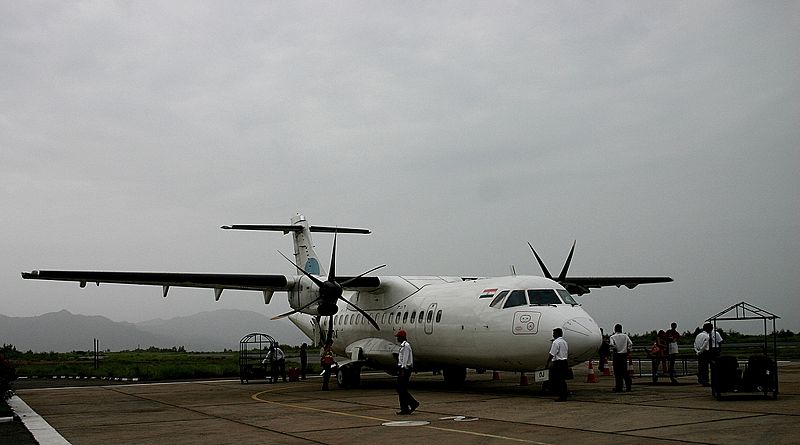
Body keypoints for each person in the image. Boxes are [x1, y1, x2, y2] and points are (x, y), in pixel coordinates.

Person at [395, 330, 419, 415]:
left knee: (401, 389)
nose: (397, 338)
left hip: (404, 369)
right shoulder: (403, 346)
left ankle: (413, 403)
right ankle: (405, 408)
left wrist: (402, 369)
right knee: (401, 389)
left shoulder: (406, 346)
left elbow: (405, 359)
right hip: (403, 369)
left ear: (402, 337)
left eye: (398, 337)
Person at [545, 327, 570, 402]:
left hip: (558, 363)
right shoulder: (564, 342)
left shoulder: (556, 342)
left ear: (556, 334)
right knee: (562, 380)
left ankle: (560, 396)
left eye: (553, 333)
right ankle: (564, 395)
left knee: (557, 380)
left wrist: (548, 362)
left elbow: (552, 354)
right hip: (564, 362)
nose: (553, 335)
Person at [609, 323, 633, 392]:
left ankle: (619, 387)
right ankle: (628, 386)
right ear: (621, 329)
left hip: (617, 355)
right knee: (624, 371)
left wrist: (615, 349)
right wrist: (628, 350)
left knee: (617, 372)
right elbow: (630, 343)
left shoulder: (612, 337)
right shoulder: (625, 336)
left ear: (615, 329)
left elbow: (612, 345)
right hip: (624, 355)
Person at [694, 322, 718, 386]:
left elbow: (695, 344)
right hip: (705, 352)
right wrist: (701, 351)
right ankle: (705, 380)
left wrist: (697, 351)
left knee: (701, 366)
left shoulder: (698, 335)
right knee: (705, 367)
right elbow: (704, 345)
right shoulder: (707, 336)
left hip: (699, 352)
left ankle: (701, 378)